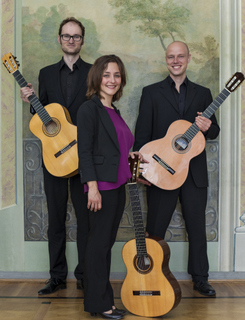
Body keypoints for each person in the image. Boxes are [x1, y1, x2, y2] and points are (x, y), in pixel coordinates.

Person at [133, 41, 220, 296]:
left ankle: (200, 279)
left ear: (188, 58)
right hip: (161, 173)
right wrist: (141, 171)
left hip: (193, 174)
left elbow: (215, 131)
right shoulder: (151, 92)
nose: (175, 60)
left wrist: (207, 127)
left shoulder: (203, 93)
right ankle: (150, 276)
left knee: (196, 227)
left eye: (180, 56)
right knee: (155, 228)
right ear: (166, 59)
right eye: (171, 57)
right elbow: (141, 136)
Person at [20, 17, 92, 295]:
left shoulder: (94, 71)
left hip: (82, 157)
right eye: (66, 35)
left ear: (82, 40)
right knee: (56, 219)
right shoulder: (46, 73)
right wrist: (31, 101)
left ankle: (85, 275)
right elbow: (43, 117)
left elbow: (99, 111)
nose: (71, 40)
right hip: (53, 159)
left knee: (86, 220)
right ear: (59, 39)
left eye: (76, 36)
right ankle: (57, 276)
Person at [77, 54, 143, 319]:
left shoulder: (113, 110)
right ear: (97, 77)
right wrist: (92, 187)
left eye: (116, 75)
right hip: (101, 188)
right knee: (97, 247)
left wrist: (131, 155)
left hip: (118, 186)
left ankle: (106, 301)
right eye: (106, 75)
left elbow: (114, 148)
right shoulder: (89, 109)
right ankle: (98, 304)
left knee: (104, 246)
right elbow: (85, 152)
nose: (112, 80)